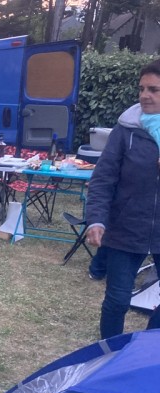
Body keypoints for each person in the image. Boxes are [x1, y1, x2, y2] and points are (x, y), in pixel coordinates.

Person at [85, 59, 160, 339]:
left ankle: (149, 350)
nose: (145, 95)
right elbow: (103, 178)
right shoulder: (126, 130)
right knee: (117, 301)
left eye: (153, 90)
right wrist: (96, 219)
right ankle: (110, 354)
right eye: (142, 89)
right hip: (126, 227)